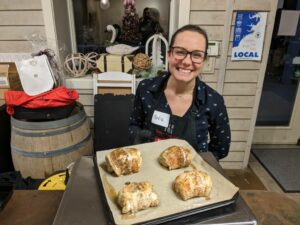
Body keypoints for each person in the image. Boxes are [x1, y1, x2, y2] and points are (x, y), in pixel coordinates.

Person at [128, 24, 230, 160]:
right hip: (150, 170)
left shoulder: (213, 101)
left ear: (204, 60)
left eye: (197, 55)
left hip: (190, 177)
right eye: (180, 52)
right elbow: (134, 125)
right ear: (169, 54)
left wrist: (198, 164)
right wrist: (140, 138)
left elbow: (221, 148)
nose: (187, 61)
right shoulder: (146, 89)